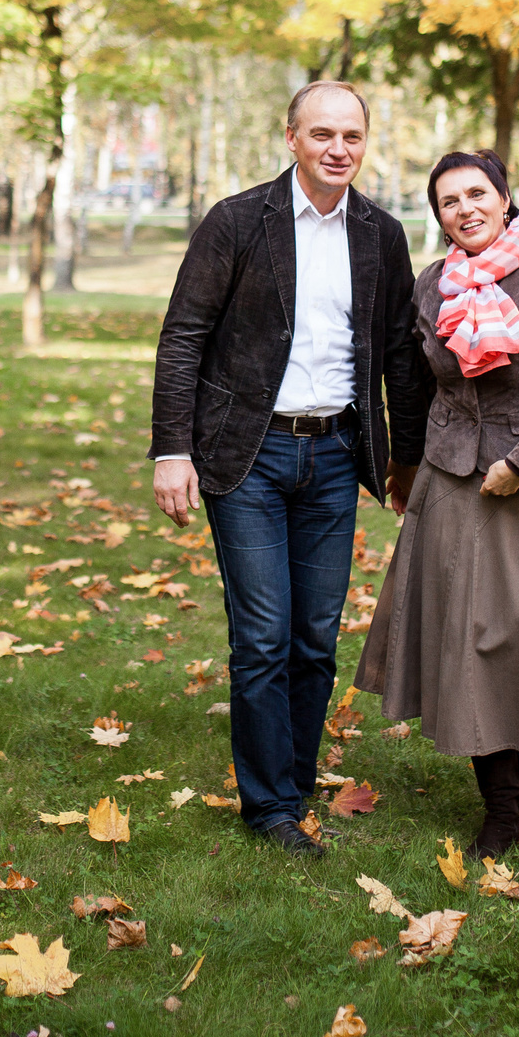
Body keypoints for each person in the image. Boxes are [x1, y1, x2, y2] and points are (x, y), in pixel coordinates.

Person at [150, 81, 429, 857]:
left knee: (314, 636)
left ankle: (295, 779)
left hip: (338, 453)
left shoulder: (381, 233)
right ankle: (269, 805)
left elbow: (402, 358)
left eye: (352, 135)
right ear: (292, 138)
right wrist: (172, 448)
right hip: (249, 455)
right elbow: (183, 337)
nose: (338, 148)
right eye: (322, 134)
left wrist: (406, 457)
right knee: (265, 633)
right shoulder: (239, 221)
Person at [354, 148, 519, 860]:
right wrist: (404, 465)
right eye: (449, 201)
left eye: (477, 193)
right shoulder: (433, 285)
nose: (465, 208)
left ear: (505, 198)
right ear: (438, 215)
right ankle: (500, 805)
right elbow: (416, 383)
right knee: (475, 640)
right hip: (455, 488)